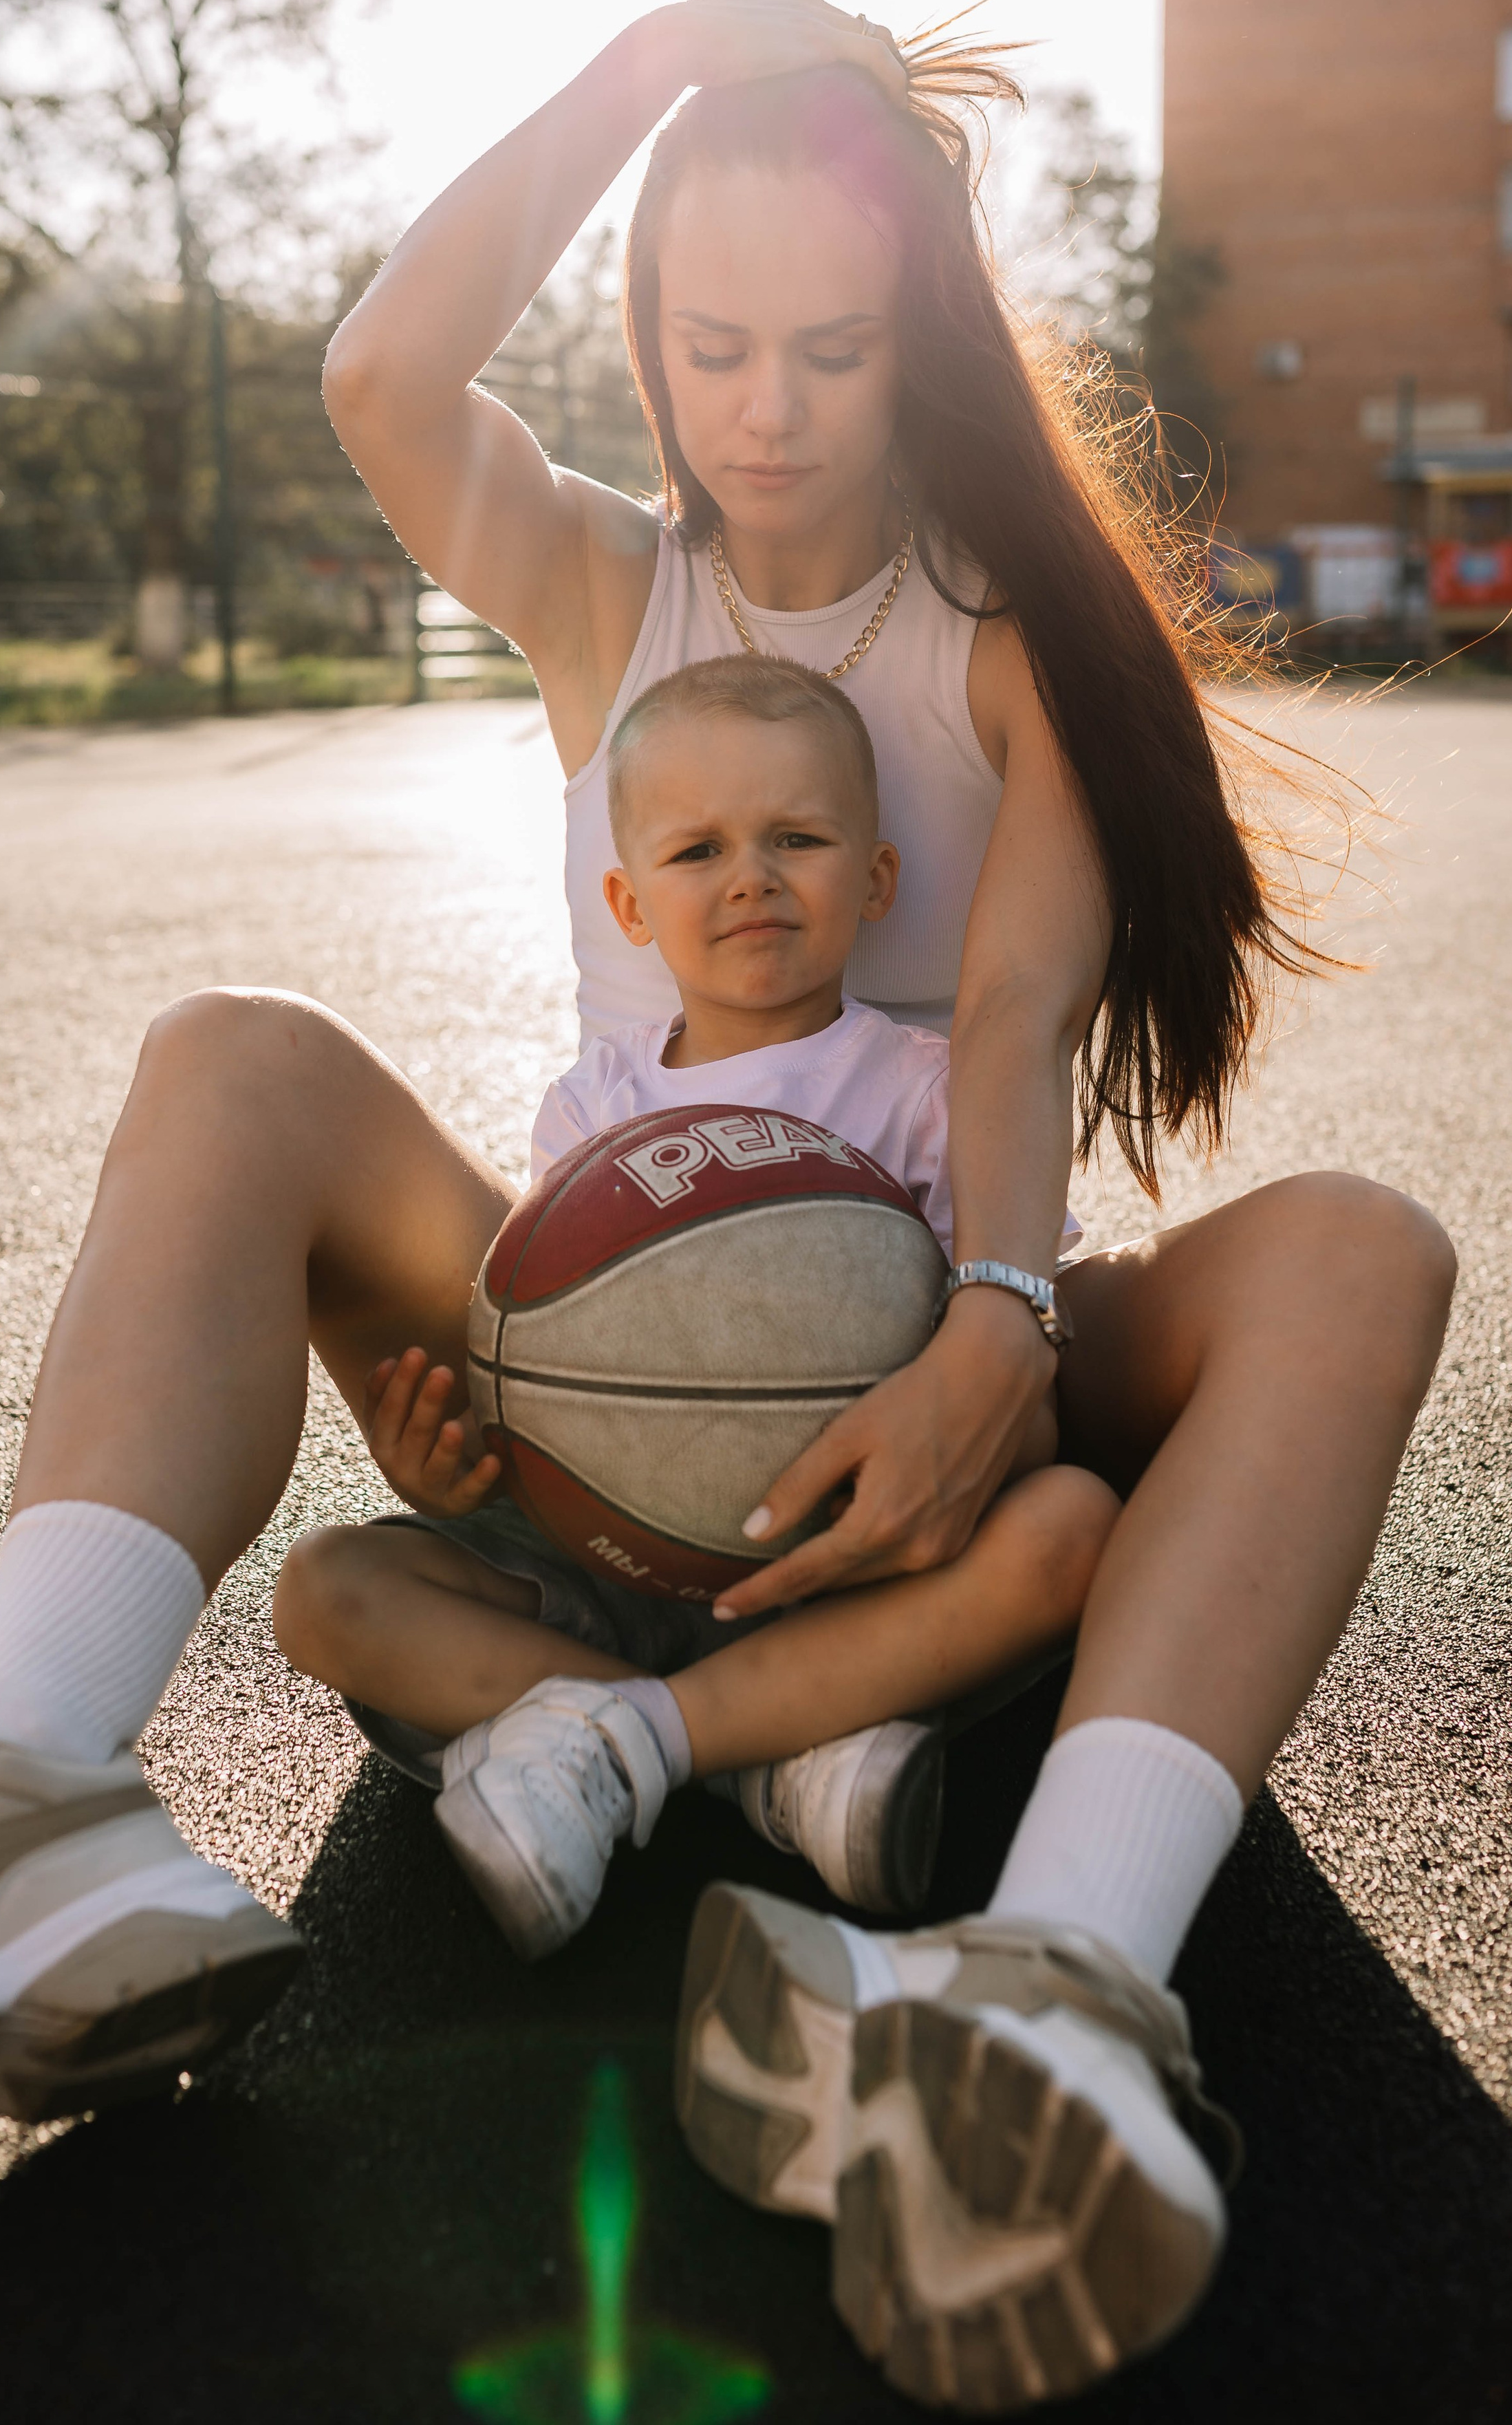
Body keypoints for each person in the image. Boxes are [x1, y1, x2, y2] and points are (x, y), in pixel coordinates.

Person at [0, 0, 1453, 2411]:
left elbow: (1010, 1021)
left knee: (1363, 1252)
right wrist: (631, 77)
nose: (763, 409)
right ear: (645, 338)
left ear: (928, 344)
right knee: (228, 1063)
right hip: (623, 1330)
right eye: (708, 344)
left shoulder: (1025, 649)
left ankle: (1051, 1988)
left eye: (835, 345)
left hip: (940, 1320)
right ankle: (11, 1802)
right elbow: (383, 383)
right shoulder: (603, 586)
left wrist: (998, 1316)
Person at [270, 655, 1118, 1959]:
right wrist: (447, 1467)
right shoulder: (590, 1116)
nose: (750, 877)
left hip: (846, 1574)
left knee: (1068, 1525)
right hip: (608, 1559)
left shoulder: (934, 1097)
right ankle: (765, 1764)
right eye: (698, 850)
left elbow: (1017, 1403)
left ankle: (608, 1746)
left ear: (877, 879)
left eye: (799, 837)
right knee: (327, 1589)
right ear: (627, 902)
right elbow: (543, 1397)